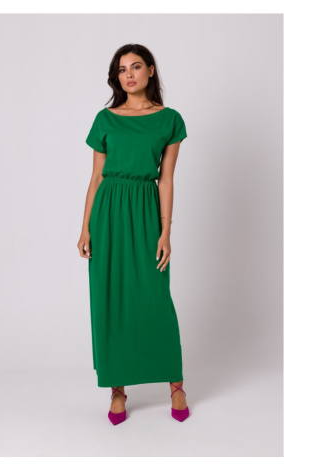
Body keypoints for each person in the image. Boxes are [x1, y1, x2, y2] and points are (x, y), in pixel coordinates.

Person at [77, 44, 190, 425]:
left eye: (136, 66)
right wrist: (85, 227)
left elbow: (166, 178)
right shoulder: (105, 119)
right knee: (110, 298)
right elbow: (96, 178)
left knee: (155, 297)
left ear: (151, 71)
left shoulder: (169, 119)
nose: (128, 74)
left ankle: (175, 383)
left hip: (145, 210)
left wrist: (165, 231)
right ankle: (117, 389)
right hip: (107, 212)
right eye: (122, 69)